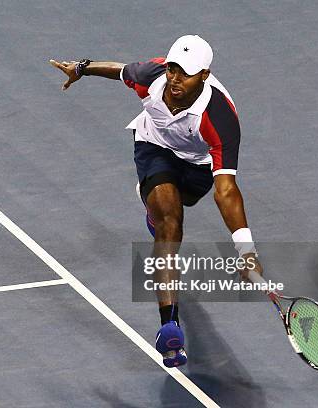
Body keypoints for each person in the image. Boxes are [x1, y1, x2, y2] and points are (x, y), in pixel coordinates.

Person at [49, 35, 263, 367]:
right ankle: (169, 327)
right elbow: (121, 71)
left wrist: (245, 251)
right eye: (174, 69)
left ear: (204, 75)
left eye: (186, 73)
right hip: (154, 148)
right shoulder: (153, 75)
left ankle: (155, 210)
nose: (176, 79)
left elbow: (226, 190)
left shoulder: (220, 118)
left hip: (198, 166)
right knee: (170, 225)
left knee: (181, 205)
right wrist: (82, 68)